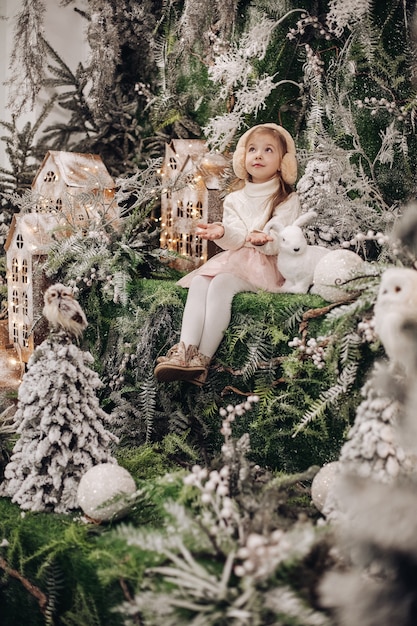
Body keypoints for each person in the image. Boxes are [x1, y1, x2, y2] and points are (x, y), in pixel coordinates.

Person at [154, 122, 301, 385]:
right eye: (253, 149)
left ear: (282, 162)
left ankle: (202, 361)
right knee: (200, 280)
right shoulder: (235, 198)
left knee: (221, 283)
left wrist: (263, 240)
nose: (258, 155)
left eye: (268, 150)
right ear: (242, 158)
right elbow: (234, 239)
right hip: (236, 259)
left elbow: (283, 240)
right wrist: (222, 233)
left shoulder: (286, 199)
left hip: (267, 266)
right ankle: (183, 352)